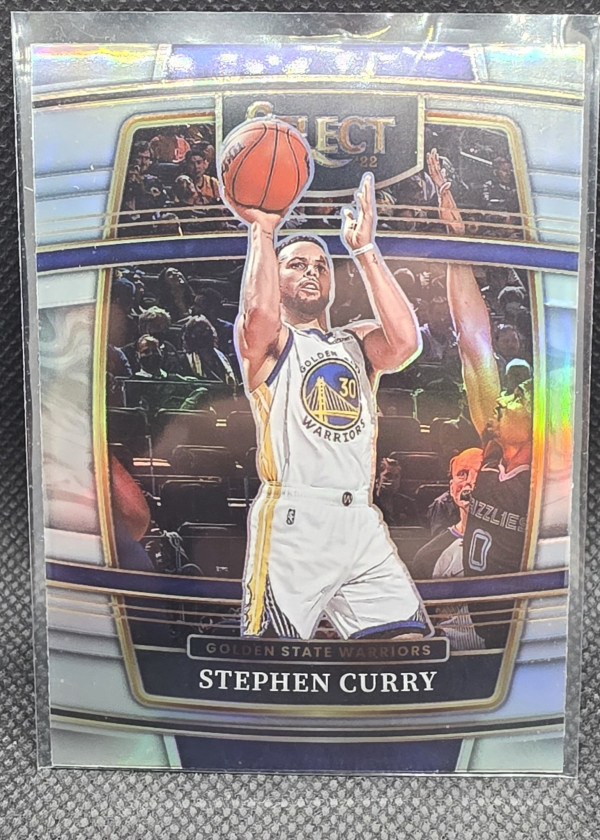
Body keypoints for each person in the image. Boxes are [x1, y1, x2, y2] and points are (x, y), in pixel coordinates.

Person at [230, 169, 431, 641]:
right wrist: (263, 231)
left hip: (359, 516)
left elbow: (406, 343)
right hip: (295, 519)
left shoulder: (354, 340)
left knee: (406, 648)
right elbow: (258, 313)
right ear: (275, 275)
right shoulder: (271, 343)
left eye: (320, 266)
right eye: (297, 265)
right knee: (274, 659)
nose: (311, 272)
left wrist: (364, 249)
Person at [428, 148, 532, 649]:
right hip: (472, 624)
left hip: (519, 632)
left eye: (521, 396)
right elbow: (472, 340)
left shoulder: (547, 472)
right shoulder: (493, 441)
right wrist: (456, 244)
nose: (510, 397)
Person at [412, 448, 485, 650]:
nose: (471, 482)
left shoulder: (521, 546)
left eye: (480, 473)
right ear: (452, 488)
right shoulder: (428, 558)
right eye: (462, 474)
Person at [373, 453, 417, 526]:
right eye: (388, 476)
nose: (393, 480)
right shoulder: (369, 504)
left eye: (396, 477)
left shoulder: (407, 504)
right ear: (377, 479)